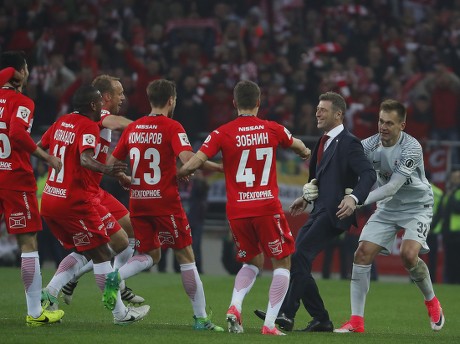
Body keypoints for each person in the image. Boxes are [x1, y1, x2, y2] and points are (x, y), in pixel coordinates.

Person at [178, 80, 312, 335]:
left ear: (234, 103)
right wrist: (305, 152)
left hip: (237, 211)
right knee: (282, 262)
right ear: (259, 103)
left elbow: (195, 162)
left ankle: (235, 307)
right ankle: (270, 325)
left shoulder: (221, 133)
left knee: (252, 262)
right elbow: (297, 145)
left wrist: (181, 172)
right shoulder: (272, 129)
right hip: (266, 207)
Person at [105, 79, 224, 332]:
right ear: (171, 100)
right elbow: (188, 159)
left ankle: (117, 276)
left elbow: (110, 163)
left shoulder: (133, 128)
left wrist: (125, 177)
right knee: (186, 257)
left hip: (137, 201)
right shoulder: (172, 127)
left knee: (149, 254)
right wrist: (219, 167)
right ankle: (201, 318)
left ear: (150, 100)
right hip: (165, 202)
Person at [255, 91, 376, 332]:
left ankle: (286, 313)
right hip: (319, 210)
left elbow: (368, 174)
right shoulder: (322, 141)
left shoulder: (349, 142)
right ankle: (321, 318)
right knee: (297, 259)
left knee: (299, 257)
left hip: (336, 212)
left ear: (338, 114)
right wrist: (305, 196)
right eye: (317, 108)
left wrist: (353, 198)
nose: (317, 113)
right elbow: (318, 178)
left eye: (323, 109)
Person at [38, 85, 150, 325]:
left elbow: (39, 147)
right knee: (99, 254)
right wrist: (109, 169)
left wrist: (50, 162)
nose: (103, 106)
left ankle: (50, 293)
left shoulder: (61, 122)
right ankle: (121, 314)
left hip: (51, 198)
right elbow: (85, 158)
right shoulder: (89, 125)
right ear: (93, 104)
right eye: (101, 101)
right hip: (75, 201)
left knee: (103, 246)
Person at [335, 99, 445, 333]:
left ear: (402, 125)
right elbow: (343, 164)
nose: (383, 127)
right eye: (380, 121)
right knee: (362, 253)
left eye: (389, 123)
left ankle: (431, 301)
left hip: (417, 206)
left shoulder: (411, 148)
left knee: (408, 255)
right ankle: (356, 321)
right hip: (387, 208)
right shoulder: (369, 144)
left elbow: (393, 186)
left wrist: (356, 199)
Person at [0, 51, 65, 326]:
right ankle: (36, 313)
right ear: (21, 72)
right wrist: (47, 157)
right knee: (28, 244)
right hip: (14, 180)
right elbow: (16, 133)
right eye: (26, 68)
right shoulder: (22, 101)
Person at [435, 170, 460, 284]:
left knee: (457, 259)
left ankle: (456, 281)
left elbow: (457, 208)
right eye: (454, 177)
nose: (455, 179)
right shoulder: (449, 192)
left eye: (458, 177)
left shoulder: (454, 193)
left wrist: (451, 196)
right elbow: (441, 212)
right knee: (449, 259)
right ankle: (449, 281)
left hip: (457, 231)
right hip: (448, 232)